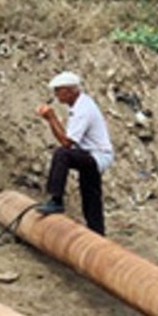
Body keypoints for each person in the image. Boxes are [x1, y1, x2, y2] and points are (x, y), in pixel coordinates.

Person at [34, 71, 114, 235]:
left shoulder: (82, 109)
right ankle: (97, 232)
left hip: (96, 155)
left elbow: (66, 143)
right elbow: (69, 139)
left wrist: (51, 119)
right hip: (91, 154)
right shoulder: (80, 105)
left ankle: (56, 200)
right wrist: (53, 120)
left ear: (70, 91)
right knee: (90, 194)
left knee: (61, 154)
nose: (56, 95)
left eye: (58, 90)